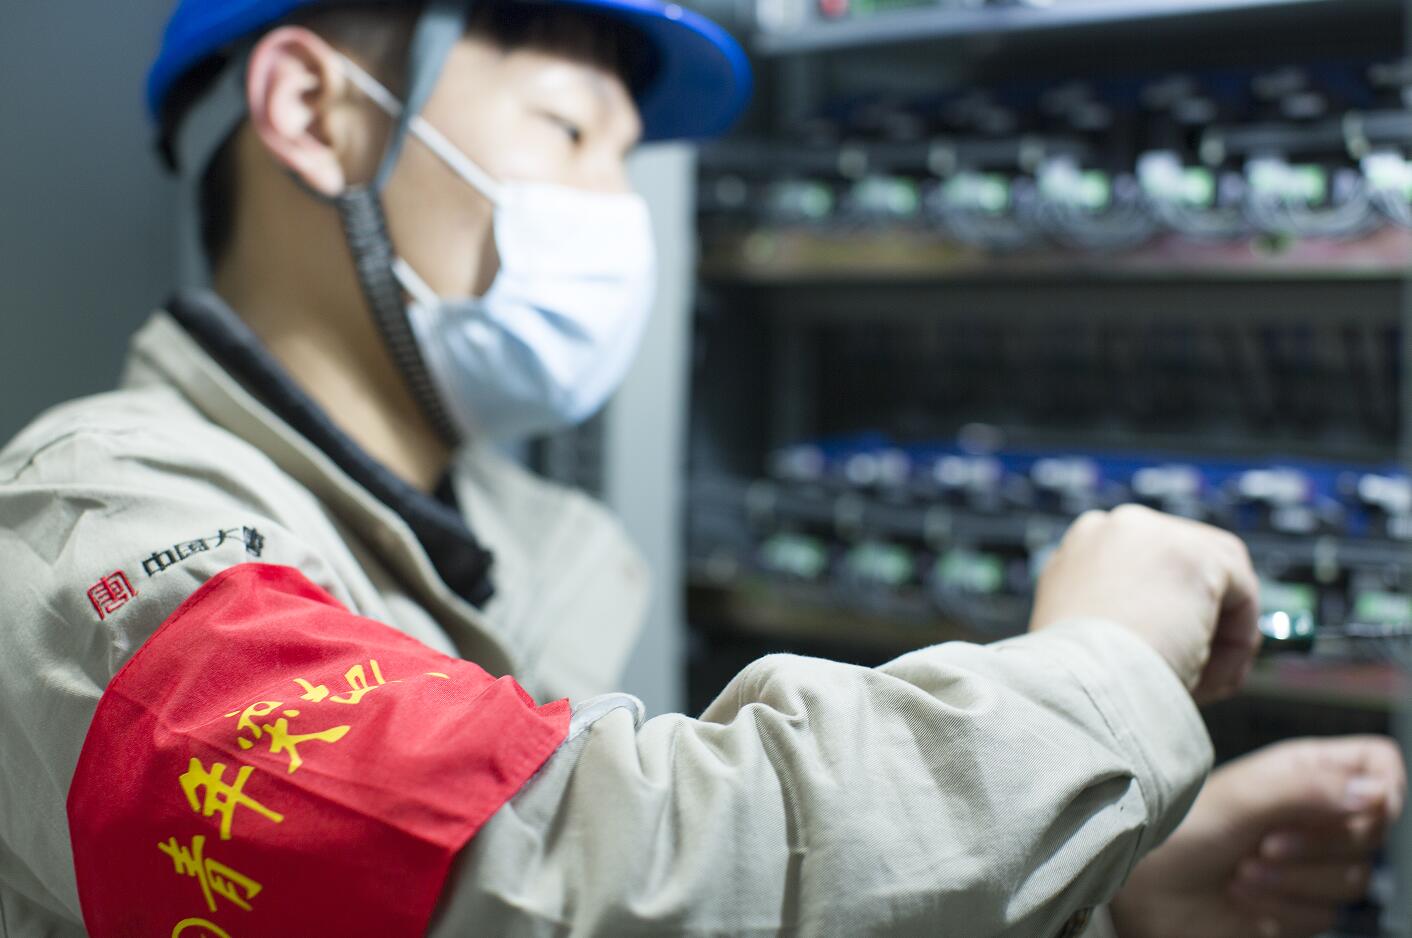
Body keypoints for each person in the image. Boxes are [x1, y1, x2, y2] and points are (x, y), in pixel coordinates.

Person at [0, 0, 1401, 935]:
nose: (617, 216)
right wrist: (1095, 690)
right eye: (567, 133)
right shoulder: (104, 540)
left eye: (627, 159)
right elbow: (555, 871)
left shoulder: (535, 547)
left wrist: (1108, 888)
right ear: (316, 111)